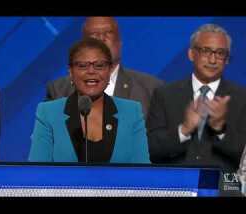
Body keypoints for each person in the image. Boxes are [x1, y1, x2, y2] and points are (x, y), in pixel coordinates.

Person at [29, 38, 150, 163]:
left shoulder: (131, 112)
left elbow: (142, 171)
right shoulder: (48, 113)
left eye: (99, 66)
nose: (91, 71)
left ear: (109, 71)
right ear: (70, 72)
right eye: (82, 66)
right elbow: (37, 171)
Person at [146, 24, 246, 171]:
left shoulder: (241, 97)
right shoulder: (165, 94)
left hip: (223, 187)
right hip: (177, 185)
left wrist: (220, 128)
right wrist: (184, 130)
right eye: (206, 51)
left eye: (220, 53)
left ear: (227, 59)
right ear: (191, 54)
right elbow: (150, 149)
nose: (213, 60)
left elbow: (243, 154)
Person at [45, 17, 163, 118]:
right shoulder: (59, 91)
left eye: (108, 33)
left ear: (119, 43)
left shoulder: (150, 89)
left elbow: (159, 141)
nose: (101, 38)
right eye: (94, 34)